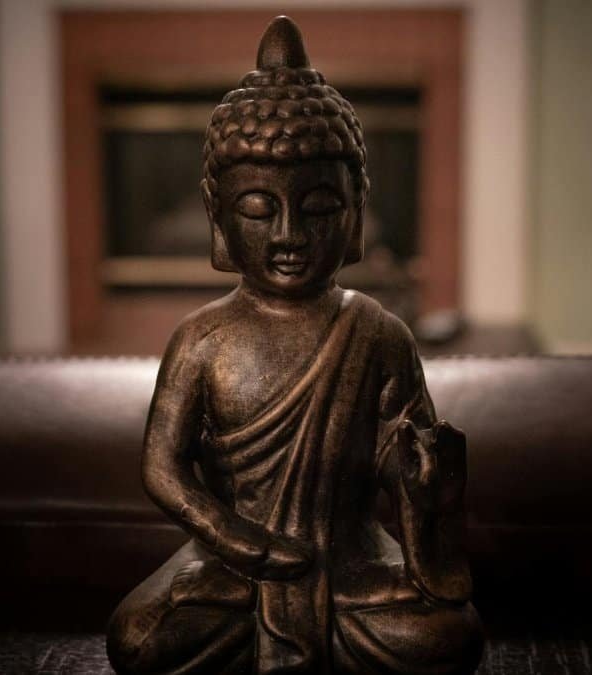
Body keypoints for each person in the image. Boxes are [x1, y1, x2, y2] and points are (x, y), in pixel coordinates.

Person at [106, 18, 481, 674]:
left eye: (318, 207)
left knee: (446, 634)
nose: (288, 233)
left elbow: (399, 460)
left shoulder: (379, 334)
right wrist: (237, 540)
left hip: (350, 560)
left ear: (357, 211)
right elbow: (162, 468)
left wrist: (426, 486)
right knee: (139, 638)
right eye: (257, 209)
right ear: (216, 215)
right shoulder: (201, 338)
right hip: (231, 565)